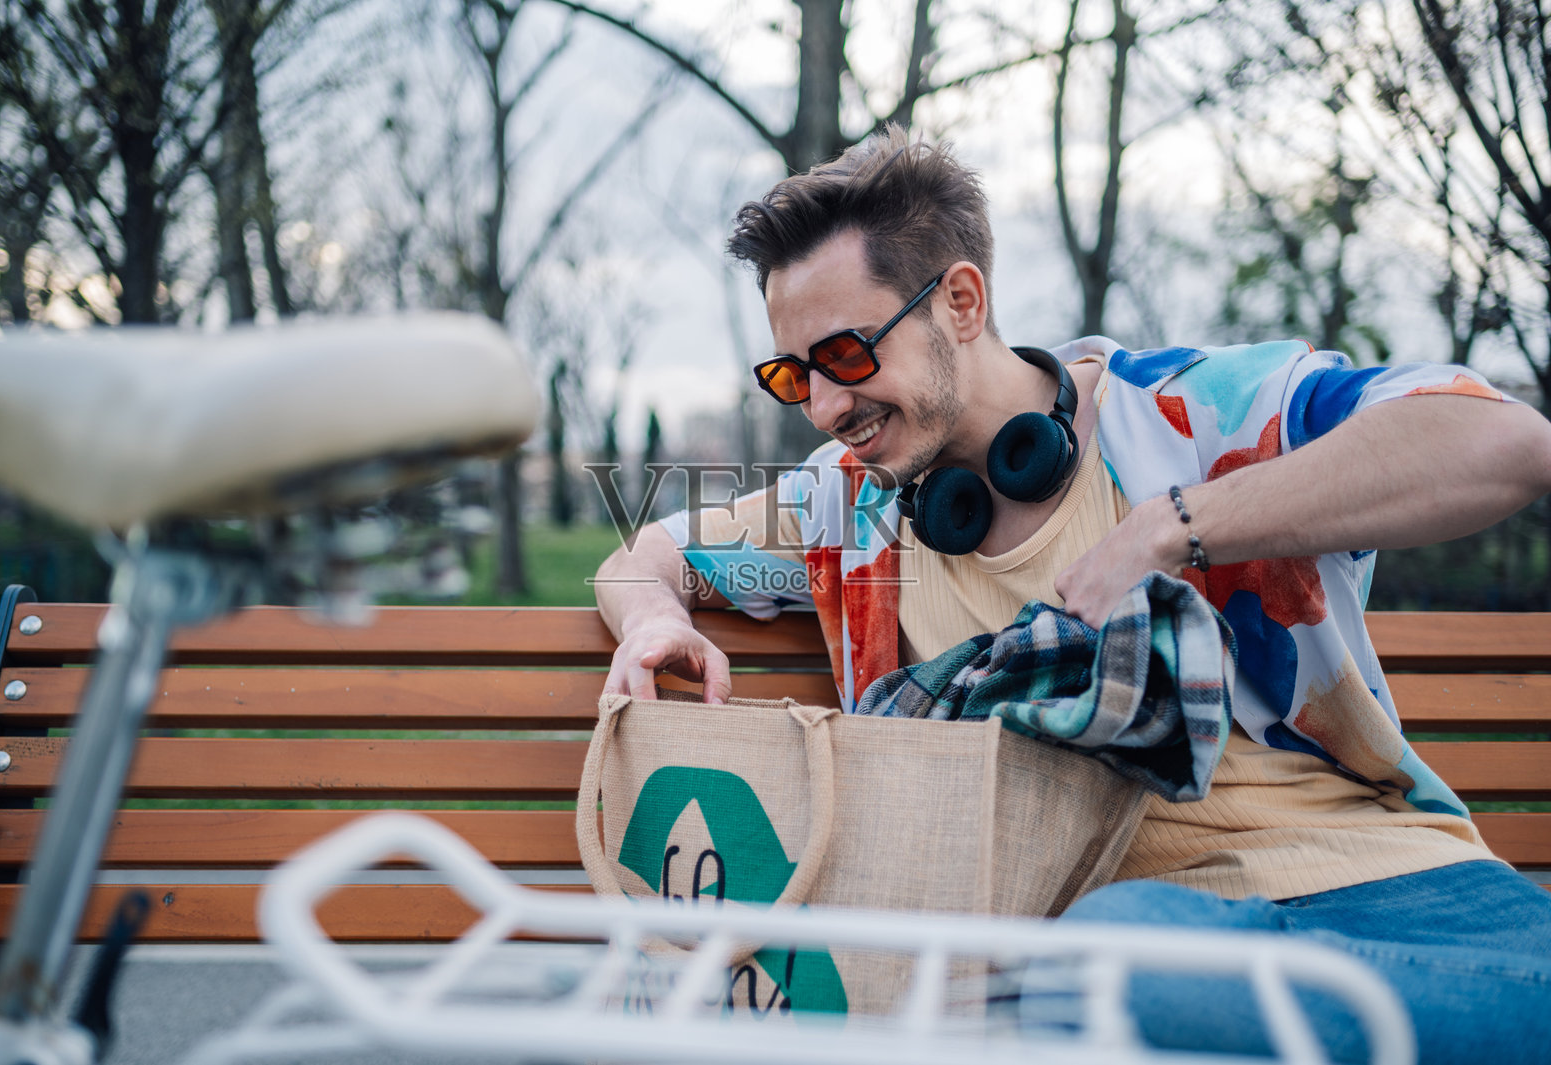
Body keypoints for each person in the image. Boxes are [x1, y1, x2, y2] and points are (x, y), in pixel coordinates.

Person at [593, 125, 1551, 1062]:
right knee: (1086, 969)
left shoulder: (1193, 417)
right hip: (1134, 945)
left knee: (1080, 978)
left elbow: (1504, 442)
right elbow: (643, 557)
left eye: (846, 356)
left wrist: (1168, 527)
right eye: (791, 373)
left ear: (961, 301)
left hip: (1405, 895)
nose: (824, 406)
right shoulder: (848, 509)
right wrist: (654, 622)